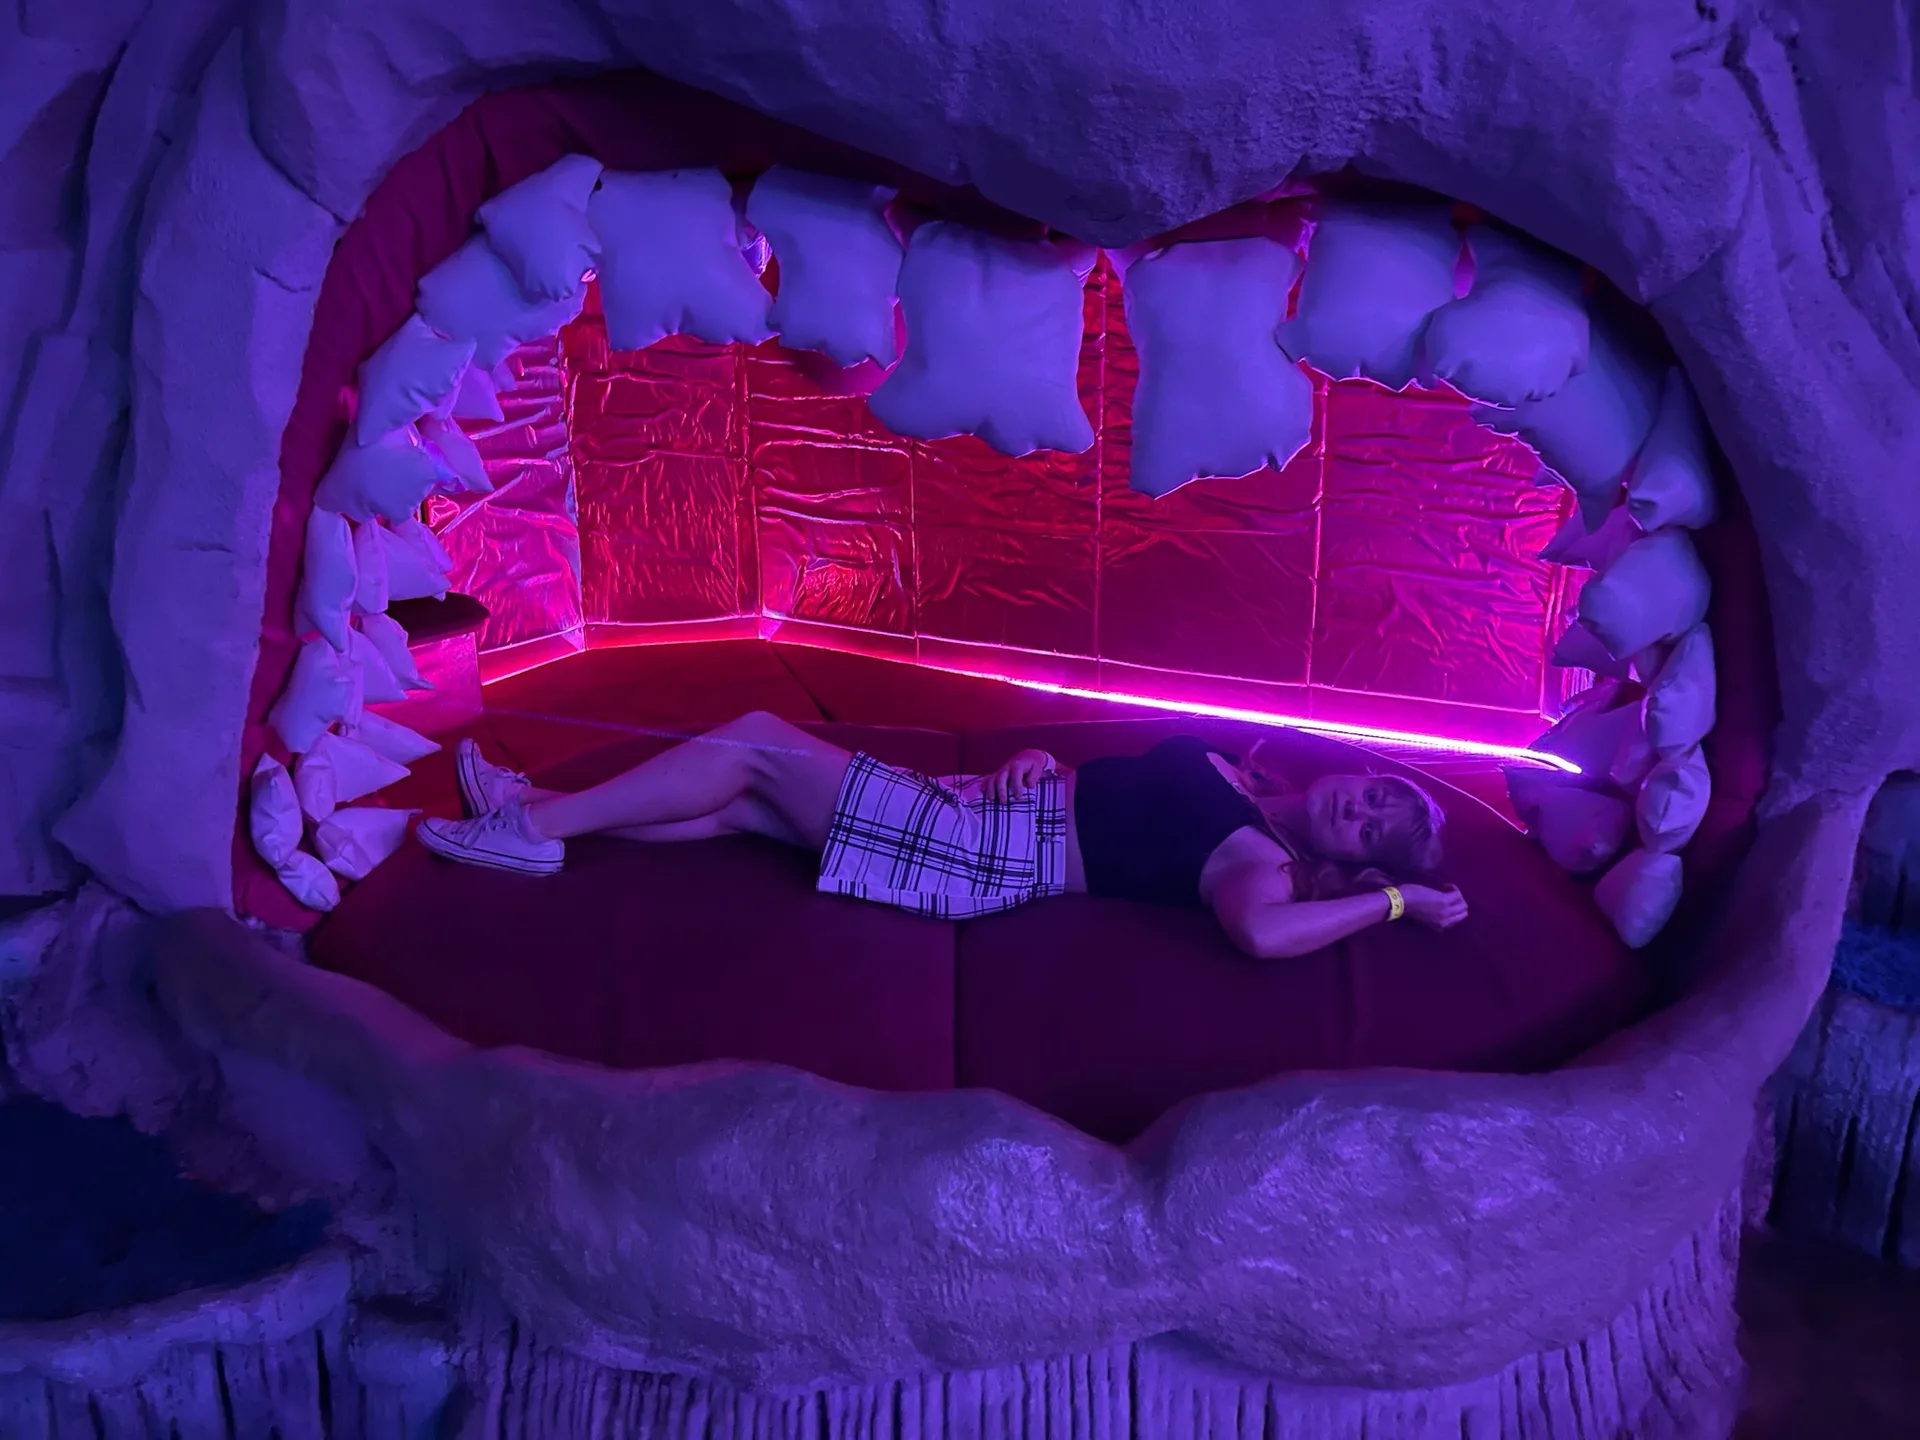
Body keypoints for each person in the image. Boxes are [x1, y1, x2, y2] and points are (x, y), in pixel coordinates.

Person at [415, 713, 1468, 959]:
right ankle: (536, 799)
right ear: (1355, 772)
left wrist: (1398, 902)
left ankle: (534, 827)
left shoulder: (1263, 860)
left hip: (981, 857)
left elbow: (1263, 934)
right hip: (983, 810)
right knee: (740, 805)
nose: (1362, 810)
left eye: (1377, 835)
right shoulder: (1237, 771)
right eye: (1378, 792)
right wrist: (1042, 763)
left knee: (757, 743)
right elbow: (1116, 800)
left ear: (1356, 862)